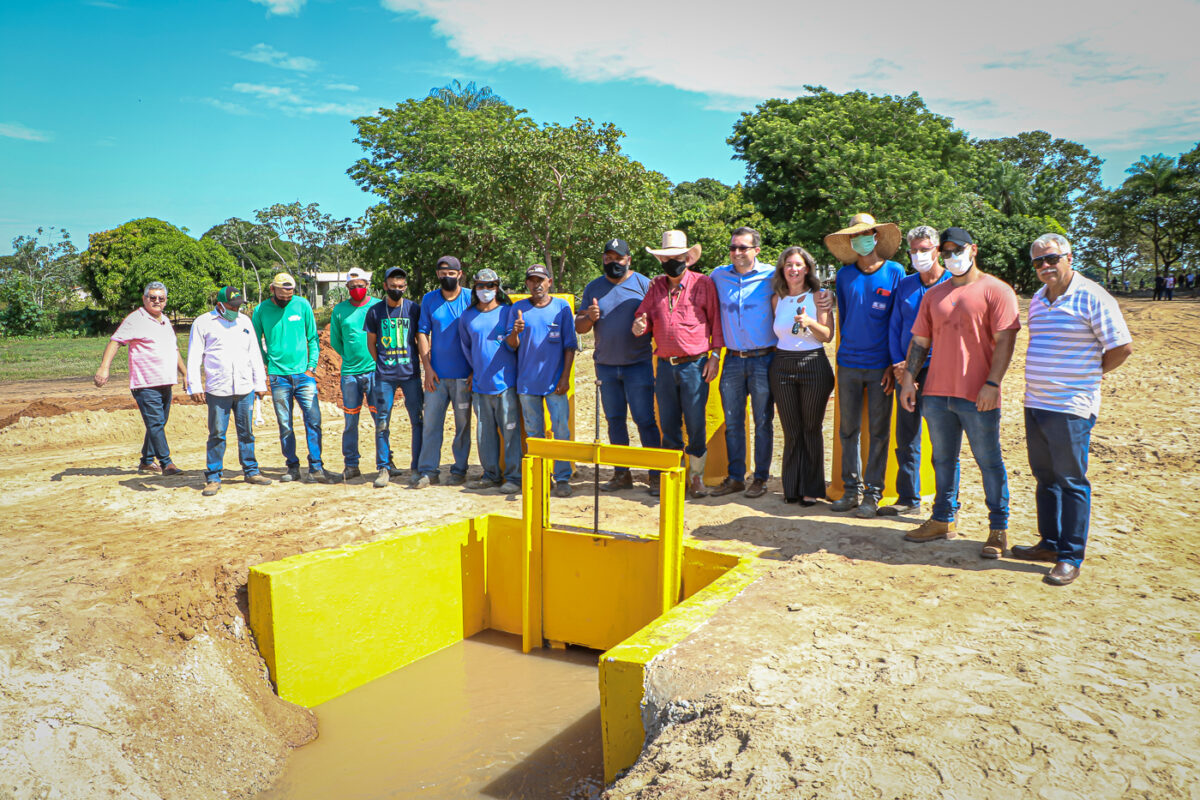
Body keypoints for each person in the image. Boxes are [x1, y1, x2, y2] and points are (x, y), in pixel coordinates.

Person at [1013, 234, 1133, 586]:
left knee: (1071, 481)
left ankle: (1070, 555)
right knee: (1045, 478)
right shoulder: (1037, 299)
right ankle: (1049, 543)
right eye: (1038, 262)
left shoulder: (1094, 296)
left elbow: (1121, 348)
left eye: (1051, 259)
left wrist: (1087, 375)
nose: (1045, 266)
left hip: (1070, 406)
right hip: (1036, 402)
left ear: (1068, 257)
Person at [899, 227, 1020, 558]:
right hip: (937, 393)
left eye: (957, 250)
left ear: (973, 249)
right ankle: (942, 519)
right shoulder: (933, 296)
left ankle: (998, 528)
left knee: (988, 460)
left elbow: (1006, 341)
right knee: (942, 459)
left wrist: (993, 384)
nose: (952, 257)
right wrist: (909, 380)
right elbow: (921, 341)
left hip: (977, 393)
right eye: (947, 252)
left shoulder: (997, 290)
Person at [824, 213, 905, 517]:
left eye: (865, 233)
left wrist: (892, 363)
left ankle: (873, 494)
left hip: (880, 366)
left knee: (880, 432)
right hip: (847, 364)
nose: (860, 239)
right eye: (854, 235)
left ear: (876, 236)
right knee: (848, 431)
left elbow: (897, 321)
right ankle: (850, 491)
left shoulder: (895, 272)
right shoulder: (845, 275)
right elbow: (844, 317)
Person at [633, 230, 723, 500]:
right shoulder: (656, 286)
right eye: (667, 258)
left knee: (695, 422)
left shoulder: (704, 284)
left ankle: (696, 477)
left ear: (687, 258)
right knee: (669, 423)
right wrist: (640, 324)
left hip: (695, 365)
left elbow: (715, 322)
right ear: (661, 260)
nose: (673, 261)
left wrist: (715, 356)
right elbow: (643, 316)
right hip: (665, 365)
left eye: (678, 257)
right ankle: (672, 477)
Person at [577, 238, 661, 495]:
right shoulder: (594, 287)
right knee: (614, 421)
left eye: (619, 258)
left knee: (644, 420)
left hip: (638, 365)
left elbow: (659, 320)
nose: (614, 262)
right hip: (606, 366)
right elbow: (579, 326)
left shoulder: (645, 284)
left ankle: (655, 475)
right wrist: (589, 317)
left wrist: (646, 326)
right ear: (603, 259)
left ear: (629, 260)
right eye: (609, 257)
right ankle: (621, 473)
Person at [881, 225, 951, 515]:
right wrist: (899, 364)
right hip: (906, 371)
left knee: (942, 439)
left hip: (939, 369)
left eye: (925, 249)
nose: (919, 255)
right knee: (906, 436)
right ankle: (908, 499)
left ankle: (945, 504)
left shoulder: (953, 283)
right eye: (914, 250)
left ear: (937, 251)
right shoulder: (906, 285)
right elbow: (895, 325)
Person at [709, 227, 776, 499]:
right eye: (733, 247)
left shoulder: (772, 275)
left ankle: (760, 478)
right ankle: (736, 477)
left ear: (756, 250)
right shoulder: (718, 275)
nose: (737, 252)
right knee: (733, 422)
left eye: (743, 247)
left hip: (764, 359)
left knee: (763, 421)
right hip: (733, 360)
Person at [252, 272, 338, 484]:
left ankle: (316, 467)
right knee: (285, 424)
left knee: (313, 420)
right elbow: (254, 341)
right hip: (278, 377)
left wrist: (311, 367)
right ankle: (292, 466)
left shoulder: (302, 305)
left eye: (290, 294)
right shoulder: (261, 310)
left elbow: (312, 338)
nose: (287, 298)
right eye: (282, 294)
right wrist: (267, 364)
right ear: (272, 290)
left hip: (303, 376)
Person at [94, 281, 186, 475]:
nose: (156, 301)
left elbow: (174, 350)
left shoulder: (165, 320)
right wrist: (104, 368)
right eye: (152, 297)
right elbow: (115, 342)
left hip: (165, 382)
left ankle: (146, 460)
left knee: (159, 423)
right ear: (144, 299)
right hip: (145, 383)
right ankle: (166, 463)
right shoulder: (135, 319)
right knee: (155, 423)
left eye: (161, 298)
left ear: (166, 300)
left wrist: (185, 374)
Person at [186, 287, 271, 496]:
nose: (236, 309)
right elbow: (194, 356)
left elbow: (255, 354)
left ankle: (251, 470)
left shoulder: (244, 322)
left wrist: (260, 383)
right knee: (217, 433)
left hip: (244, 388)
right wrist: (195, 386)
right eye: (232, 306)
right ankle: (213, 476)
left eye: (238, 306)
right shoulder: (203, 323)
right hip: (218, 389)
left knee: (247, 432)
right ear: (220, 304)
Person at [769, 247, 834, 505]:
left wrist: (809, 322)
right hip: (782, 365)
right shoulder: (777, 299)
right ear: (782, 270)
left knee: (811, 429)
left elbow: (826, 335)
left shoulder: (819, 296)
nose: (793, 269)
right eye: (788, 265)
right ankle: (792, 487)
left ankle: (811, 488)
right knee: (791, 430)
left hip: (813, 364)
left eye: (798, 264)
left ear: (807, 268)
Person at [508, 264, 578, 498]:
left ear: (549, 282)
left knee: (561, 431)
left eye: (541, 280)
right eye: (531, 280)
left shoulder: (561, 307)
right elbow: (511, 346)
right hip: (527, 384)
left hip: (555, 383)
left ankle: (562, 478)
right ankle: (540, 476)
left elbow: (570, 345)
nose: (536, 284)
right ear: (526, 284)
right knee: (533, 432)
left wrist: (565, 377)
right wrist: (515, 332)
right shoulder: (518, 308)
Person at [414, 256, 473, 488]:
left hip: (463, 377)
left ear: (460, 274)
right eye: (442, 272)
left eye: (451, 272)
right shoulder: (429, 299)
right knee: (431, 424)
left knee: (463, 426)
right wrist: (427, 368)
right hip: (436, 378)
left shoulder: (471, 298)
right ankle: (429, 471)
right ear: (437, 274)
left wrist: (474, 370)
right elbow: (422, 334)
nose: (446, 276)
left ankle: (459, 470)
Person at [460, 269, 521, 494]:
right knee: (485, 434)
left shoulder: (508, 312)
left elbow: (513, 344)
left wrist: (514, 334)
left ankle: (514, 477)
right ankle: (491, 474)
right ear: (475, 288)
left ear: (497, 287)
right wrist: (475, 370)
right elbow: (467, 348)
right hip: (480, 385)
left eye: (490, 285)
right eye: (481, 286)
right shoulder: (467, 317)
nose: (486, 290)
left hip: (505, 384)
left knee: (510, 433)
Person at [363, 267, 424, 489]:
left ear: (405, 287)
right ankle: (383, 467)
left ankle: (416, 467)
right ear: (385, 286)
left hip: (411, 375)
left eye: (401, 286)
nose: (396, 290)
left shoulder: (414, 309)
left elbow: (420, 339)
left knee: (417, 420)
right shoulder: (375, 311)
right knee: (382, 422)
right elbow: (371, 342)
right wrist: (381, 362)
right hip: (384, 376)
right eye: (393, 286)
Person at [329, 267, 380, 482]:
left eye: (360, 286)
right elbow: (336, 340)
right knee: (350, 421)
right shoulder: (339, 310)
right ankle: (351, 465)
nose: (357, 289)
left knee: (381, 419)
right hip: (350, 374)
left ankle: (386, 462)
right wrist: (349, 357)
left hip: (375, 372)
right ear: (347, 288)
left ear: (367, 286)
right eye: (352, 287)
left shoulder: (377, 305)